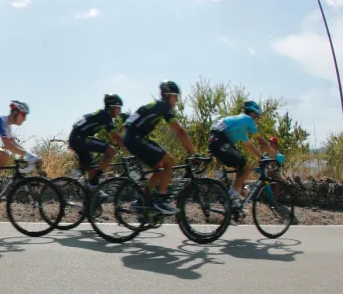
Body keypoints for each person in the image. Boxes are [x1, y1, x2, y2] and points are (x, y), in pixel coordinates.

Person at [122, 80, 197, 215]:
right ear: (168, 95)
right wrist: (193, 153)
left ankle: (143, 201)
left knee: (159, 168)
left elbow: (128, 123)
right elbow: (180, 132)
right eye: (176, 96)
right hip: (136, 139)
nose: (177, 100)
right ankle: (161, 201)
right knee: (170, 161)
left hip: (133, 139)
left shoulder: (156, 105)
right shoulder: (164, 106)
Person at [207, 101, 277, 204]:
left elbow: (249, 147)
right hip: (220, 141)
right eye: (258, 117)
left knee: (241, 169)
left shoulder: (240, 125)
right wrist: (272, 154)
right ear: (253, 115)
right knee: (246, 168)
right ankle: (230, 199)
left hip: (215, 141)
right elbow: (261, 141)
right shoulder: (247, 119)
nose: (257, 121)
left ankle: (234, 199)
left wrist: (261, 157)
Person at [68, 94, 127, 188]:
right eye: (119, 108)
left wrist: (121, 131)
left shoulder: (101, 114)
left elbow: (114, 140)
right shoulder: (105, 115)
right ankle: (96, 179)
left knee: (92, 169)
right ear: (112, 107)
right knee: (111, 150)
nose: (120, 111)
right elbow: (116, 138)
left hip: (76, 139)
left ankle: (91, 193)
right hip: (80, 138)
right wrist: (128, 146)